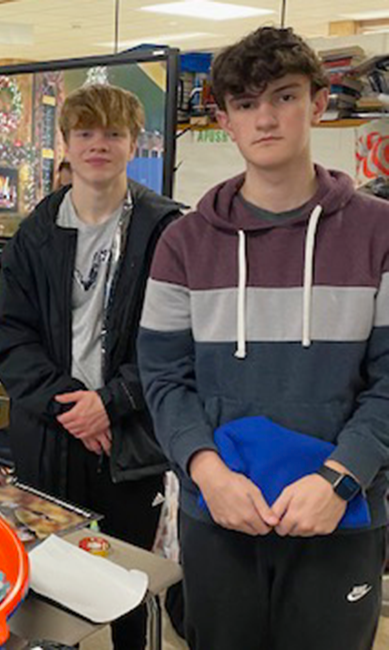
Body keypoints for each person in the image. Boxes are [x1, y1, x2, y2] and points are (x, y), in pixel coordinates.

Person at [138, 26, 389, 650]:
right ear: (225, 119)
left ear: (319, 102)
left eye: (283, 96)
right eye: (247, 104)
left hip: (341, 514)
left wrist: (339, 479)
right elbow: (164, 377)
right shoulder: (184, 242)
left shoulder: (379, 232)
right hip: (219, 513)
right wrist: (207, 472)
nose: (266, 117)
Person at [0, 84, 183, 650]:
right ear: (65, 144)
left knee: (126, 579)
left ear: (134, 143)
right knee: (52, 581)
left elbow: (178, 343)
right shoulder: (33, 234)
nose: (99, 145)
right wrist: (73, 405)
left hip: (129, 442)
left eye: (113, 134)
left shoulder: (166, 231)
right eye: (85, 133)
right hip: (52, 436)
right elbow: (11, 340)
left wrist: (112, 403)